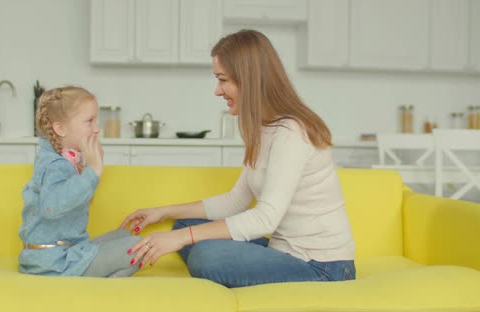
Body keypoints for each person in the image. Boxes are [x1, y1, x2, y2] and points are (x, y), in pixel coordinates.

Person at [120, 30, 356, 288]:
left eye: (223, 80)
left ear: (249, 80)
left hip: (321, 267)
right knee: (185, 223)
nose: (217, 91)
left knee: (206, 255)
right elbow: (235, 201)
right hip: (282, 251)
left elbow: (266, 218)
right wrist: (162, 212)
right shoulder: (264, 128)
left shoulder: (292, 133)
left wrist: (181, 238)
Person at [18, 86, 142, 278]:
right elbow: (52, 207)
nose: (96, 129)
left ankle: (93, 281)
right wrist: (93, 171)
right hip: (54, 262)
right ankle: (95, 291)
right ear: (60, 129)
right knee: (138, 247)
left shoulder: (67, 158)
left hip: (68, 251)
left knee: (126, 236)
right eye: (89, 121)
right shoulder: (54, 164)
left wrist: (88, 167)